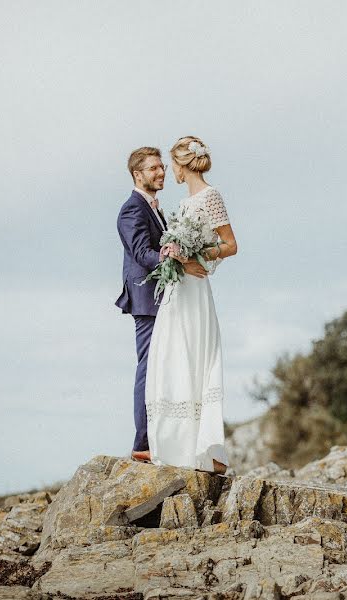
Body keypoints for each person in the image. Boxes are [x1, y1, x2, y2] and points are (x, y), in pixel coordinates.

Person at [145, 136, 238, 475]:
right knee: (173, 355)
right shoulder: (183, 204)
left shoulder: (210, 196)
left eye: (171, 165)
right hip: (177, 288)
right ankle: (176, 446)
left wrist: (195, 256)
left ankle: (204, 449)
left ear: (182, 165)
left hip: (195, 287)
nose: (171, 171)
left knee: (195, 355)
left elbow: (230, 244)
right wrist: (177, 256)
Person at [115, 146, 208, 464]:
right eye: (153, 168)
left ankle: (158, 437)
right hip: (147, 299)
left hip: (163, 297)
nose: (161, 172)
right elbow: (142, 253)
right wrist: (178, 261)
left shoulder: (154, 208)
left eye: (162, 168)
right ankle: (142, 443)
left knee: (162, 367)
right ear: (137, 174)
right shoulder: (132, 210)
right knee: (148, 367)